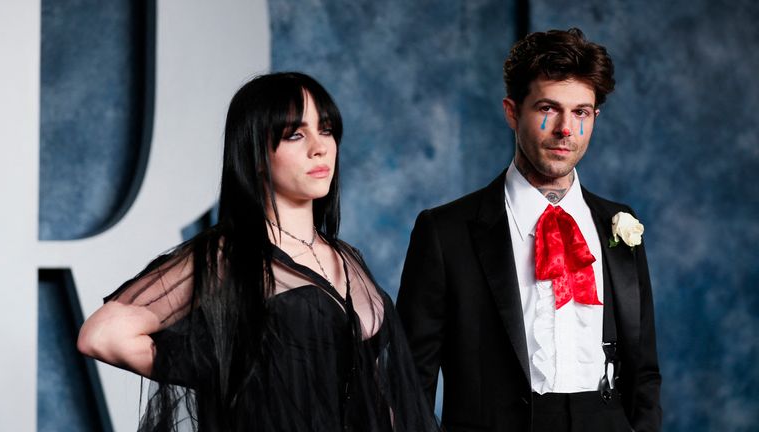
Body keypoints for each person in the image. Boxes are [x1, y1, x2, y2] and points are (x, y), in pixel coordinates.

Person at [78, 72, 439, 432]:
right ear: (257, 154)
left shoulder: (347, 258)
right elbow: (102, 335)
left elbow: (374, 390)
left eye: (326, 129)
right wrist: (226, 372)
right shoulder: (229, 254)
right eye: (295, 134)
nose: (319, 147)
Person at [397, 28, 662, 432]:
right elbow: (410, 384)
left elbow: (644, 372)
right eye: (547, 108)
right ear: (511, 111)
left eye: (581, 112)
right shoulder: (444, 232)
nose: (565, 130)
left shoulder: (618, 224)